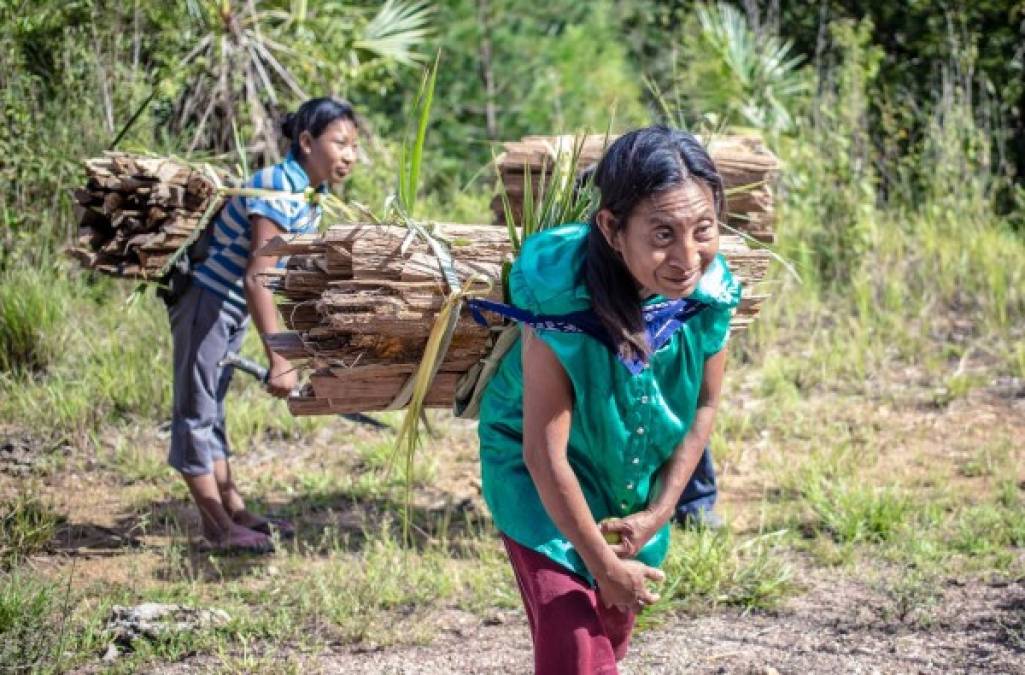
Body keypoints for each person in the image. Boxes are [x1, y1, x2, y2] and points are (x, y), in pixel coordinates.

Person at [477, 125, 740, 673]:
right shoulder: (560, 298)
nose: (687, 256)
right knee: (575, 646)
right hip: (542, 479)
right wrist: (600, 562)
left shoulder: (710, 295)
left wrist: (660, 510)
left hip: (630, 481)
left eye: (703, 229)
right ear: (612, 228)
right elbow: (545, 456)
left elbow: (703, 409)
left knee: (610, 629)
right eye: (663, 233)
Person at [167, 97, 359, 553]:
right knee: (195, 411)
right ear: (307, 142)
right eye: (340, 143)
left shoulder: (312, 195)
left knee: (213, 407)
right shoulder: (277, 187)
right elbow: (259, 275)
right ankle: (215, 528)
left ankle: (234, 510)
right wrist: (280, 358)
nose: (350, 155)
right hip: (207, 301)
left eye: (354, 146)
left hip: (230, 308)